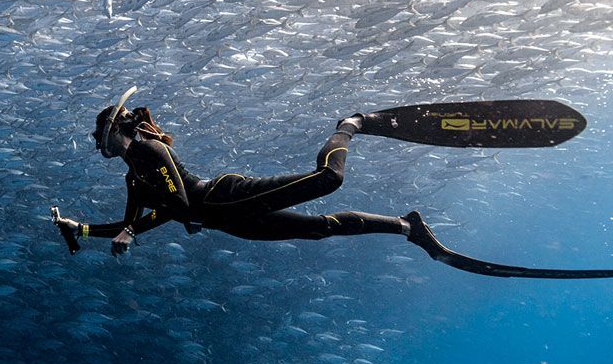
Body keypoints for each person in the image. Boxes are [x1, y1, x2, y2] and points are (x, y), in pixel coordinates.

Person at [55, 87, 425, 256]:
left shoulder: (152, 150)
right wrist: (81, 229)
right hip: (225, 220)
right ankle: (406, 226)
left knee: (329, 180)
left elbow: (178, 201)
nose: (98, 143)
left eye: (102, 135)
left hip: (226, 196)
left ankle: (350, 124)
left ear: (118, 131)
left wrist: (133, 229)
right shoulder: (132, 176)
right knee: (318, 229)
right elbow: (129, 225)